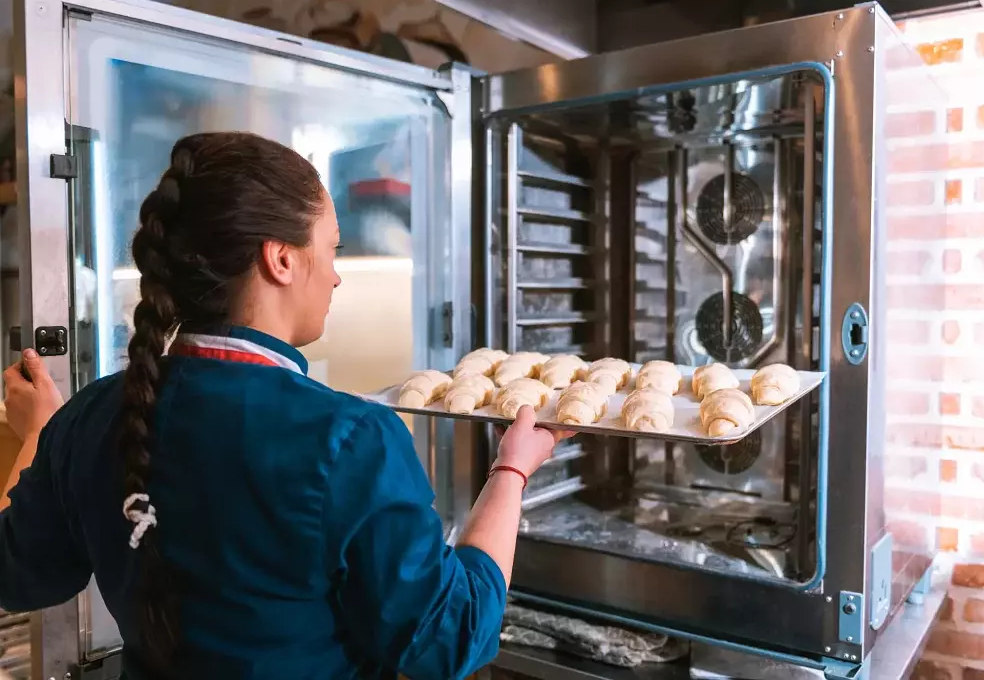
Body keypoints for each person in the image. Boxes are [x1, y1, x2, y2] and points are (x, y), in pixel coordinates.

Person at [0, 131, 569, 679]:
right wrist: (512, 470)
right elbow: (453, 640)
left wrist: (39, 433)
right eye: (331, 248)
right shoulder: (350, 437)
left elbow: (20, 578)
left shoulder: (91, 415)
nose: (338, 275)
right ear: (281, 259)